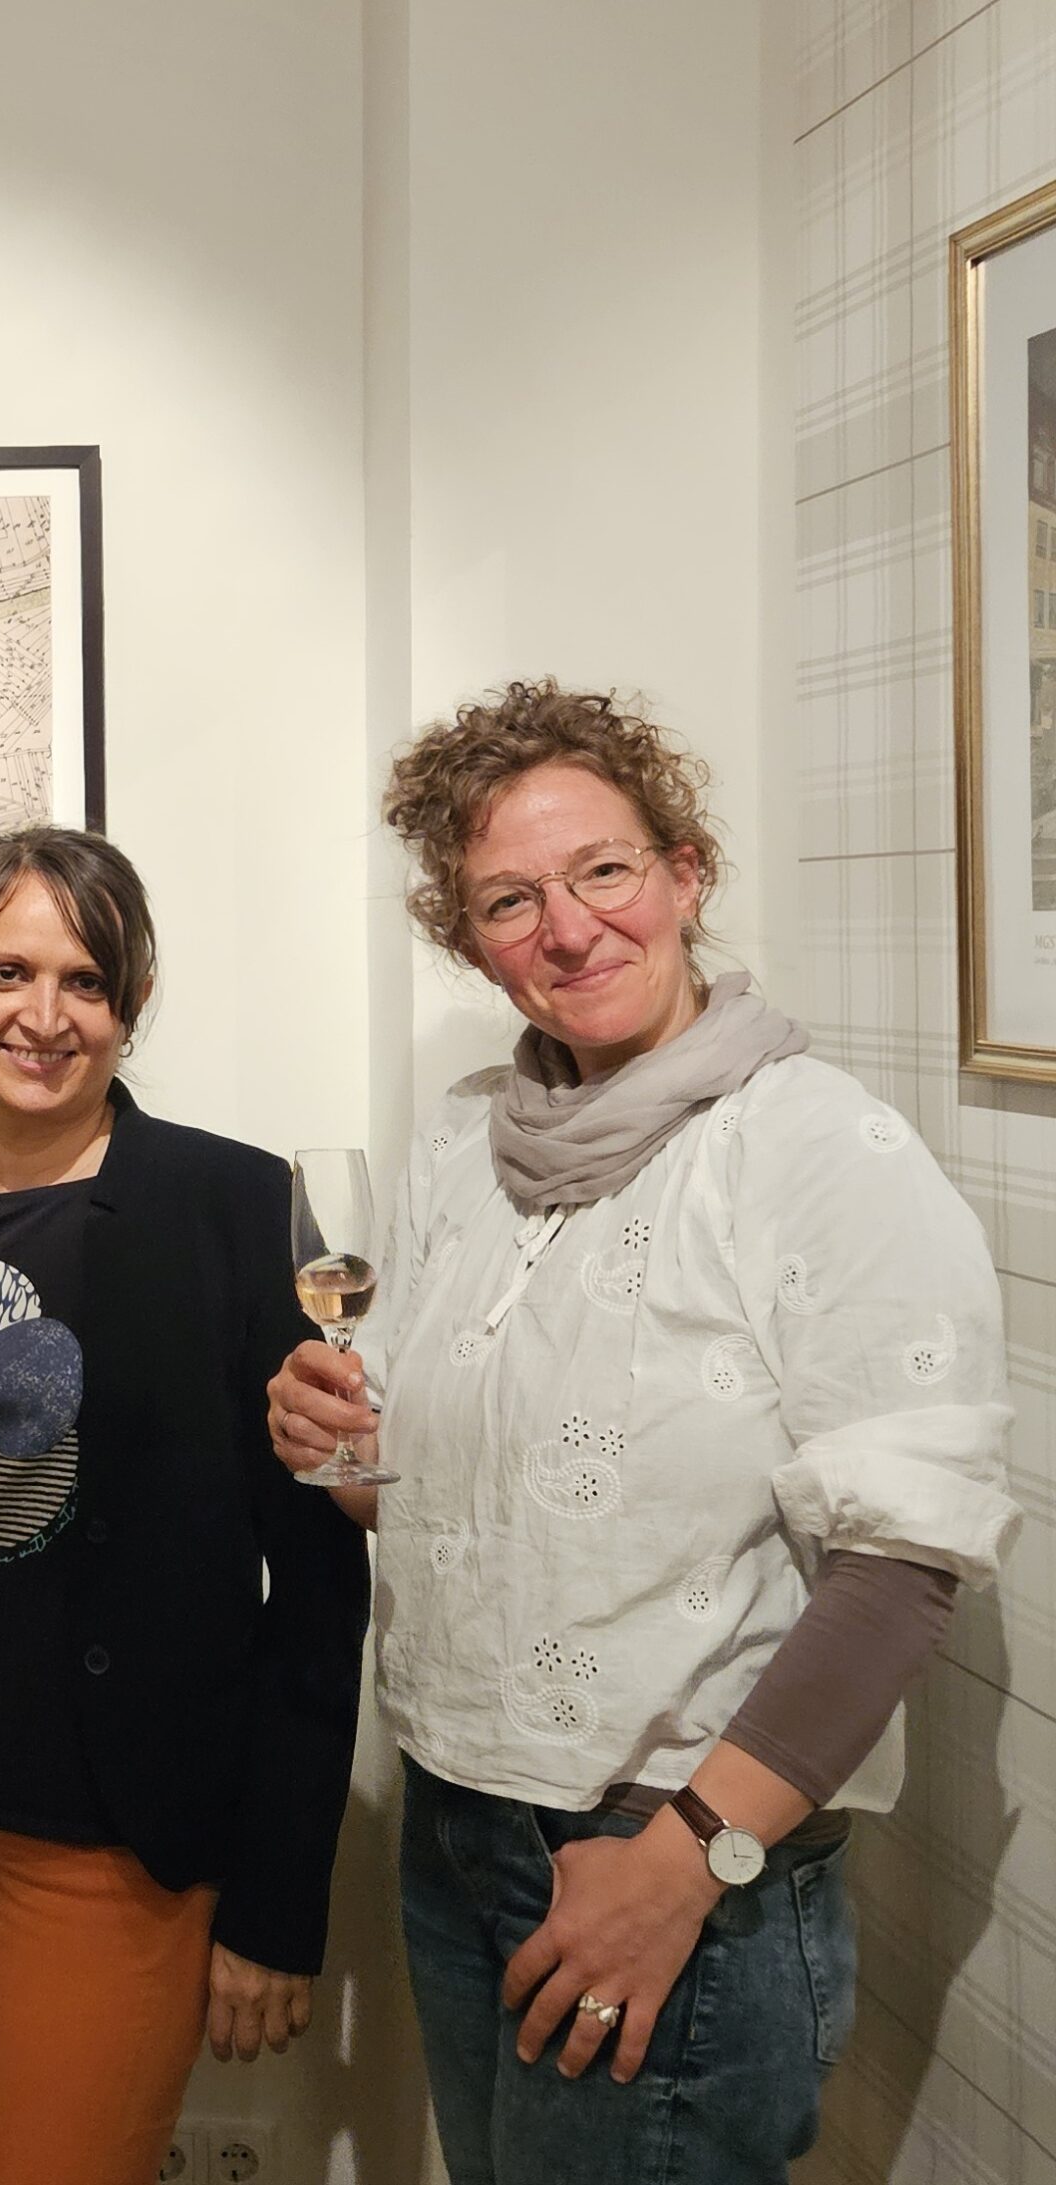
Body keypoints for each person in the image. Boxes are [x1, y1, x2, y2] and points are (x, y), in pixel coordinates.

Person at [268, 681, 1020, 2183]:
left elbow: (900, 1566)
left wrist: (690, 1857)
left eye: (604, 869)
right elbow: (441, 1499)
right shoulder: (463, 1145)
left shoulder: (813, 1147)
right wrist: (338, 1454)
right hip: (460, 1828)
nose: (567, 926)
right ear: (465, 935)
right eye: (508, 897)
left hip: (672, 1859)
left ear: (687, 873)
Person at [0, 827, 370, 2185]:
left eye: (86, 981)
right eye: (6, 969)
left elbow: (319, 1579)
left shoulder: (235, 1203)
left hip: (117, 1848)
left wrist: (279, 1903)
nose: (42, 1017)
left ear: (131, 1002)